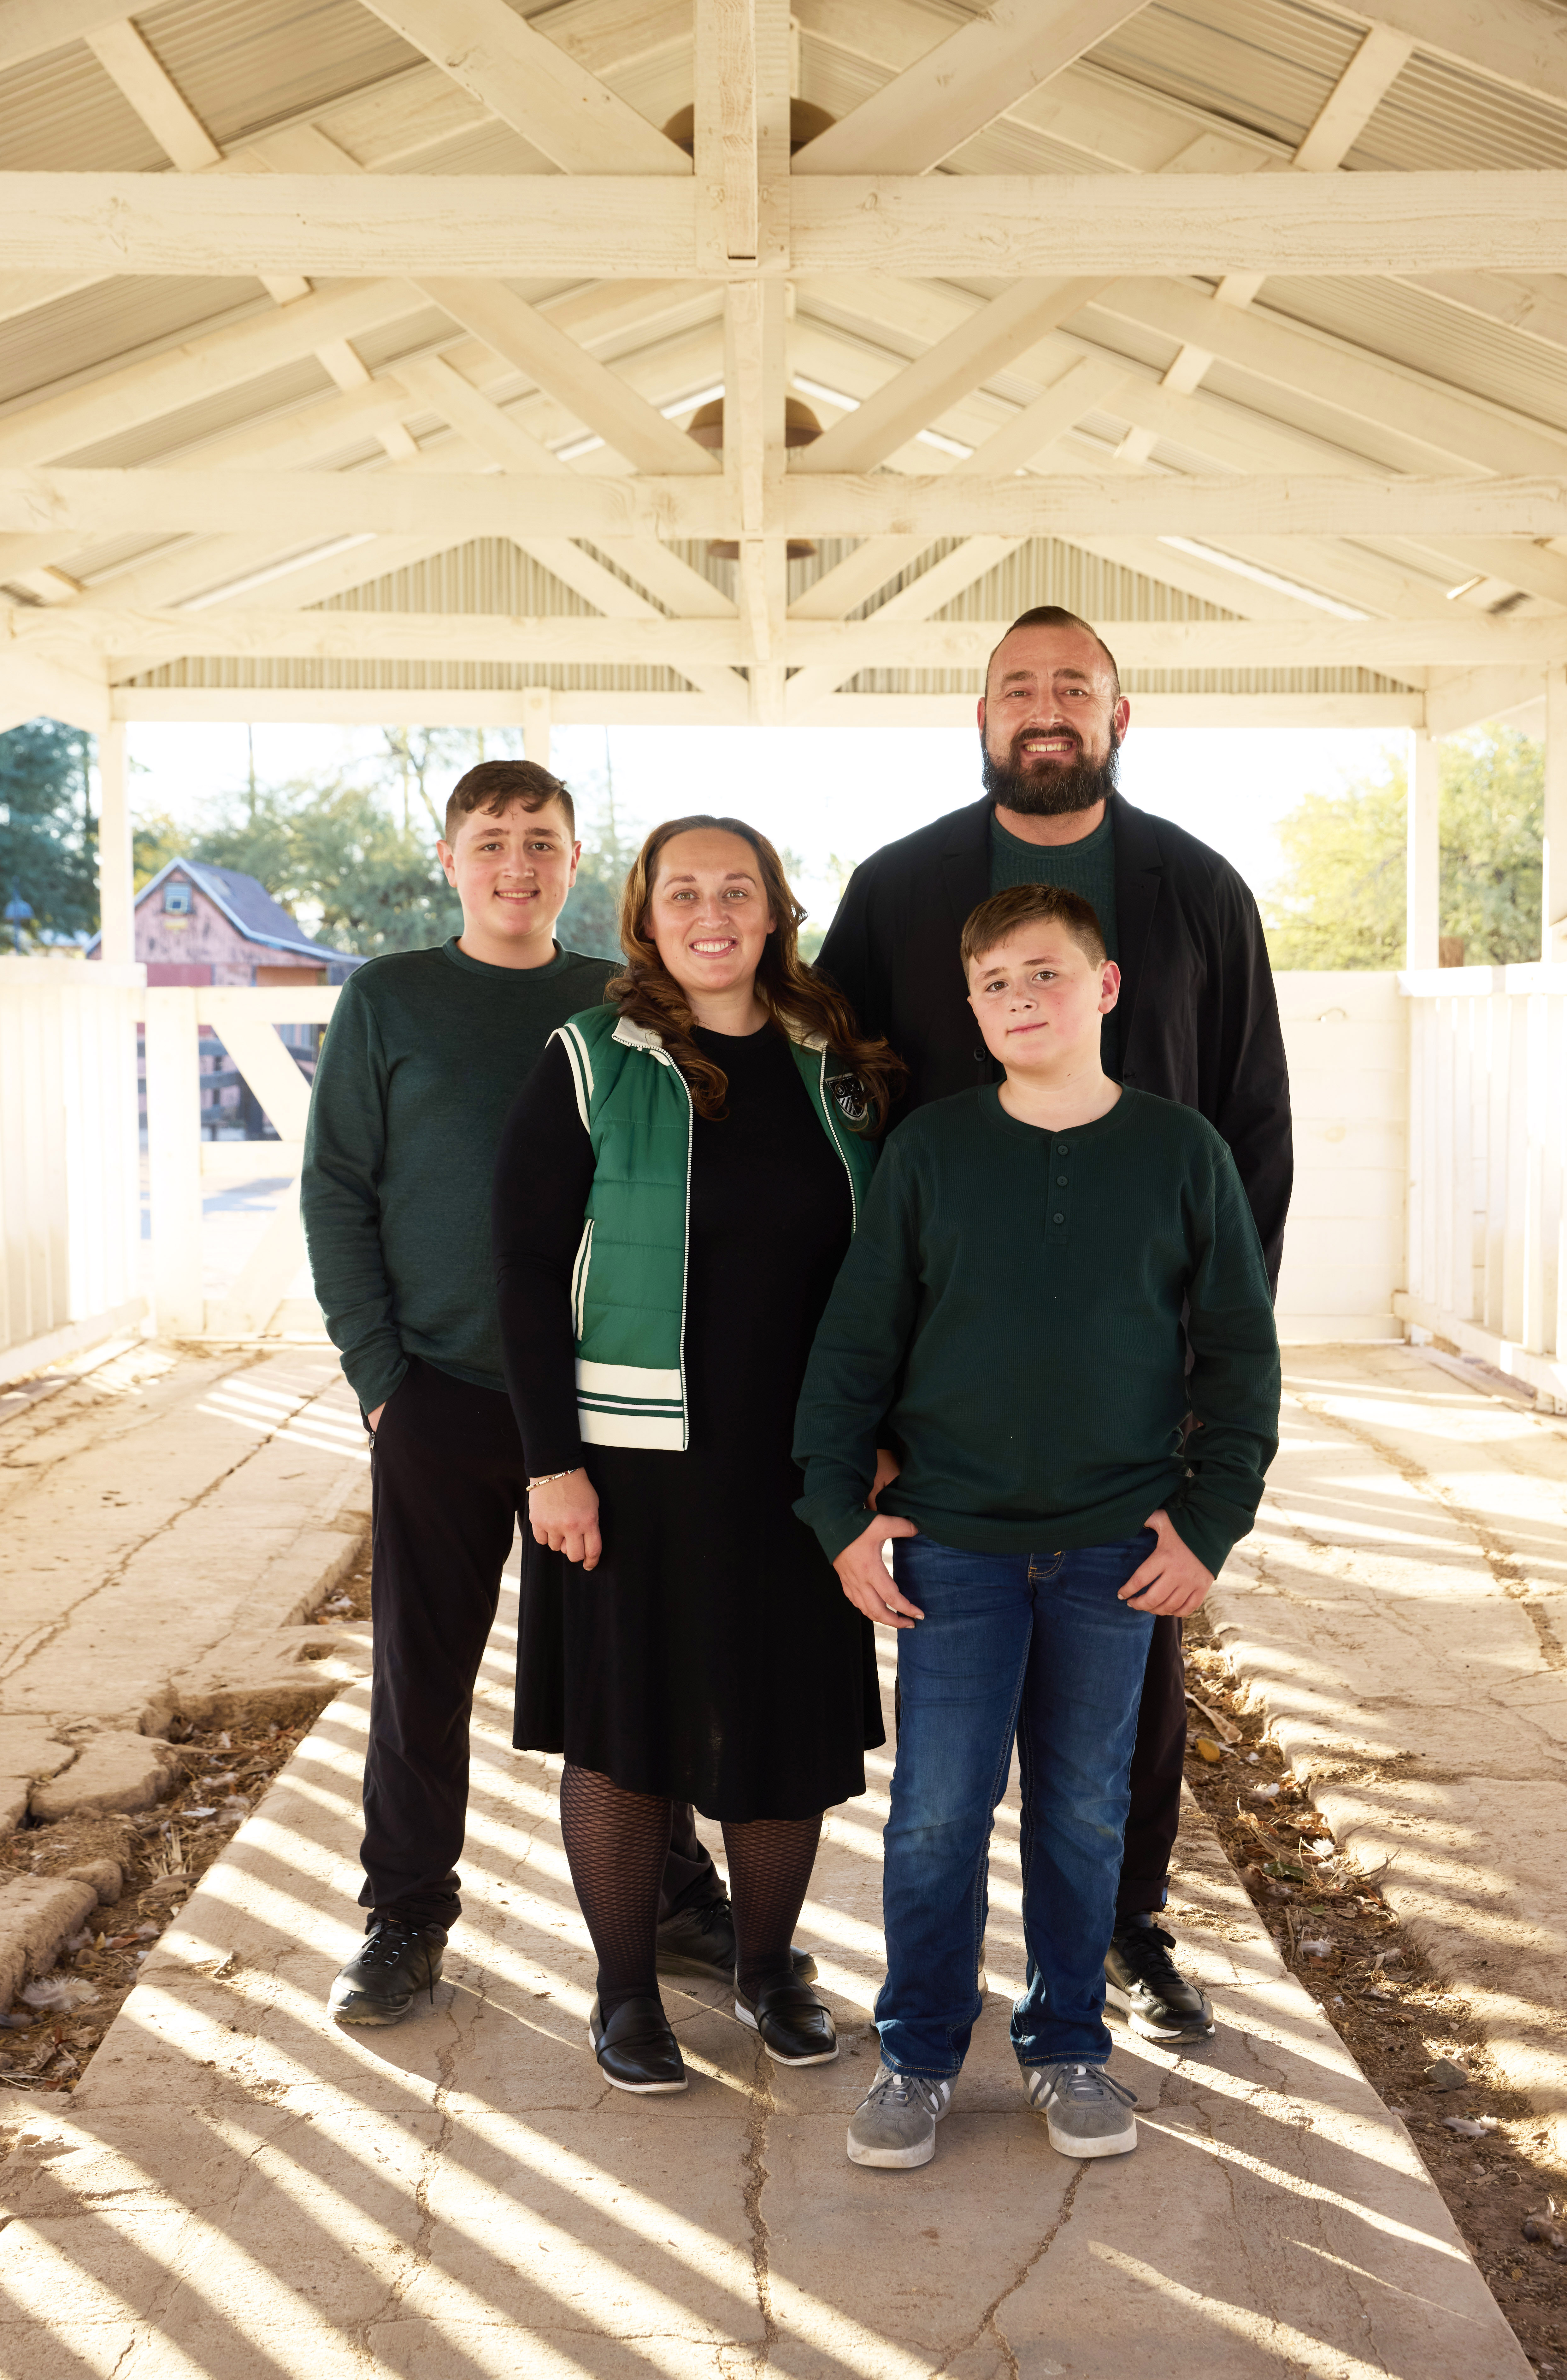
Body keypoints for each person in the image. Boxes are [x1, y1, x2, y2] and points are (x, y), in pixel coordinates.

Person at [816, 604, 1291, 2043]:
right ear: (979, 718)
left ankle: (1124, 1931)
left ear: (1117, 717)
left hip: (1141, 1394)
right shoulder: (899, 891)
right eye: (1017, 687)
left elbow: (1253, 1138)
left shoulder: (1197, 892)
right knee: (943, 1766)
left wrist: (1210, 1396)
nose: (1045, 707)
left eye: (1072, 687)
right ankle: (917, 2005)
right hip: (948, 1395)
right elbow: (832, 1119)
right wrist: (876, 1413)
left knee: (1129, 1696)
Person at [794, 882, 1281, 2169]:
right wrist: (841, 1514)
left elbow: (1239, 1355)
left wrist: (1210, 1521)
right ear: (972, 1007)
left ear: (1105, 988)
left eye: (1047, 974)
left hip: (1116, 1551)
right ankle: (915, 2055)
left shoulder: (1181, 1153)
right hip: (951, 1541)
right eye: (997, 982)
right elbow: (854, 1345)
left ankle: (1069, 2042)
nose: (1023, 998)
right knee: (939, 1814)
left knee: (1079, 1812)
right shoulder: (935, 1151)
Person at [303, 760, 741, 2026]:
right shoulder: (391, 999)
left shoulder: (621, 1002)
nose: (515, 862)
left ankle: (665, 1892)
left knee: (623, 1667)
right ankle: (403, 1916)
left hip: (598, 1408)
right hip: (436, 1392)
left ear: (571, 860)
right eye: (490, 840)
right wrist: (380, 1380)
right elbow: (339, 1188)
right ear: (449, 859)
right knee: (421, 1675)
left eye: (540, 841)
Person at [493, 816, 900, 2093]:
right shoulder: (590, 1059)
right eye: (684, 893)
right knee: (625, 1733)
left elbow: (890, 1269)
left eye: (738, 888)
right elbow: (517, 1270)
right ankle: (623, 1995)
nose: (711, 911)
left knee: (782, 1732)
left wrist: (882, 1439)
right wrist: (548, 1462)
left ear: (775, 909)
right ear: (647, 918)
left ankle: (767, 1967)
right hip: (629, 1465)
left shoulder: (836, 1063)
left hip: (799, 1468)